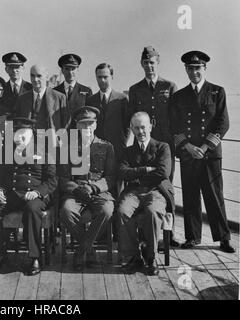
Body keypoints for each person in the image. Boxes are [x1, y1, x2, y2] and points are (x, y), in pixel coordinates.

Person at [170, 51, 234, 253]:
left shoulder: (217, 91)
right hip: (189, 154)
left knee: (215, 195)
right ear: (186, 70)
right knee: (190, 196)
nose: (194, 72)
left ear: (204, 69)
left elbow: (223, 123)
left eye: (198, 68)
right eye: (190, 68)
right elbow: (174, 126)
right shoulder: (179, 96)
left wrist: (204, 147)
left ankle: (223, 238)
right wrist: (188, 147)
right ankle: (192, 237)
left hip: (210, 154)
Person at [0, 117, 57, 275]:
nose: (20, 137)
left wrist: (37, 192)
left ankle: (34, 257)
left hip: (35, 195)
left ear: (31, 134)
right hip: (12, 195)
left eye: (24, 134)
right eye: (17, 133)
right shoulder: (5, 152)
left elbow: (52, 180)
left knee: (32, 209)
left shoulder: (43, 152)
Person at [117, 112, 174, 276]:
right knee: (122, 211)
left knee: (152, 212)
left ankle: (150, 257)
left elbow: (163, 172)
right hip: (133, 193)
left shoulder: (163, 147)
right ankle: (133, 256)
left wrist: (135, 174)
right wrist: (145, 169)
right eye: (136, 128)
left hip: (155, 191)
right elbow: (121, 172)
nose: (140, 131)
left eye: (143, 127)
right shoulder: (128, 151)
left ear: (150, 126)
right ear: (132, 129)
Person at [60, 106, 115, 271]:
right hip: (76, 192)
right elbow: (61, 177)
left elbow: (112, 176)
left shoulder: (106, 147)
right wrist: (75, 189)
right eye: (83, 124)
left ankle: (81, 250)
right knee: (66, 211)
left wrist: (95, 188)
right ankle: (89, 249)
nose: (87, 127)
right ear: (77, 126)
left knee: (106, 210)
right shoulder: (67, 148)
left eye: (91, 123)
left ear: (96, 125)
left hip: (99, 192)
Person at [128, 46, 177, 182]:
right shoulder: (135, 89)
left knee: (166, 180)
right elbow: (132, 117)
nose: (149, 66)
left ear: (158, 62)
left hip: (165, 142)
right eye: (146, 63)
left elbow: (176, 117)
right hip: (143, 141)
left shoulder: (169, 86)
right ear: (141, 64)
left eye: (152, 63)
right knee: (142, 180)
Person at [14, 64, 68, 131]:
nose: (35, 79)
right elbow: (17, 122)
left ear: (47, 76)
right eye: (32, 76)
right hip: (29, 139)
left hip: (51, 139)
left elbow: (65, 124)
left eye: (39, 76)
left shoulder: (59, 98)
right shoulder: (22, 99)